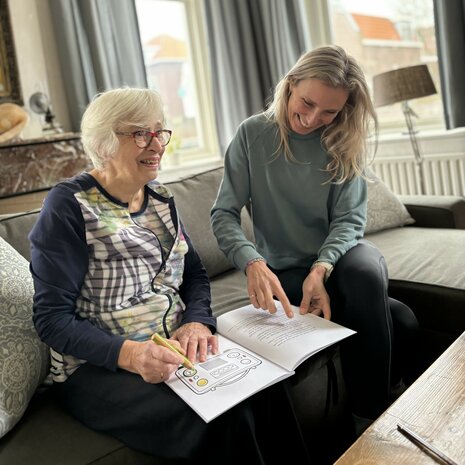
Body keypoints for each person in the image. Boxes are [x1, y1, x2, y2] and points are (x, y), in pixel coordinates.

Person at [29, 88, 312, 464]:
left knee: (268, 388)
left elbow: (193, 274)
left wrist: (197, 321)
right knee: (226, 416)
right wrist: (130, 355)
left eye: (159, 132)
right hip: (97, 367)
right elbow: (52, 320)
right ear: (105, 143)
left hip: (176, 349)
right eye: (140, 133)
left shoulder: (159, 197)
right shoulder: (69, 206)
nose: (156, 144)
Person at [211, 45, 419, 425]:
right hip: (286, 270)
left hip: (340, 256)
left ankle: (373, 417)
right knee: (401, 319)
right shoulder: (253, 135)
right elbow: (223, 213)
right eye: (307, 102)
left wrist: (321, 269)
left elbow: (349, 220)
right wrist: (253, 262)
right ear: (290, 85)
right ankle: (376, 416)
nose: (311, 119)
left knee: (363, 274)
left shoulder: (342, 139)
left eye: (329, 112)